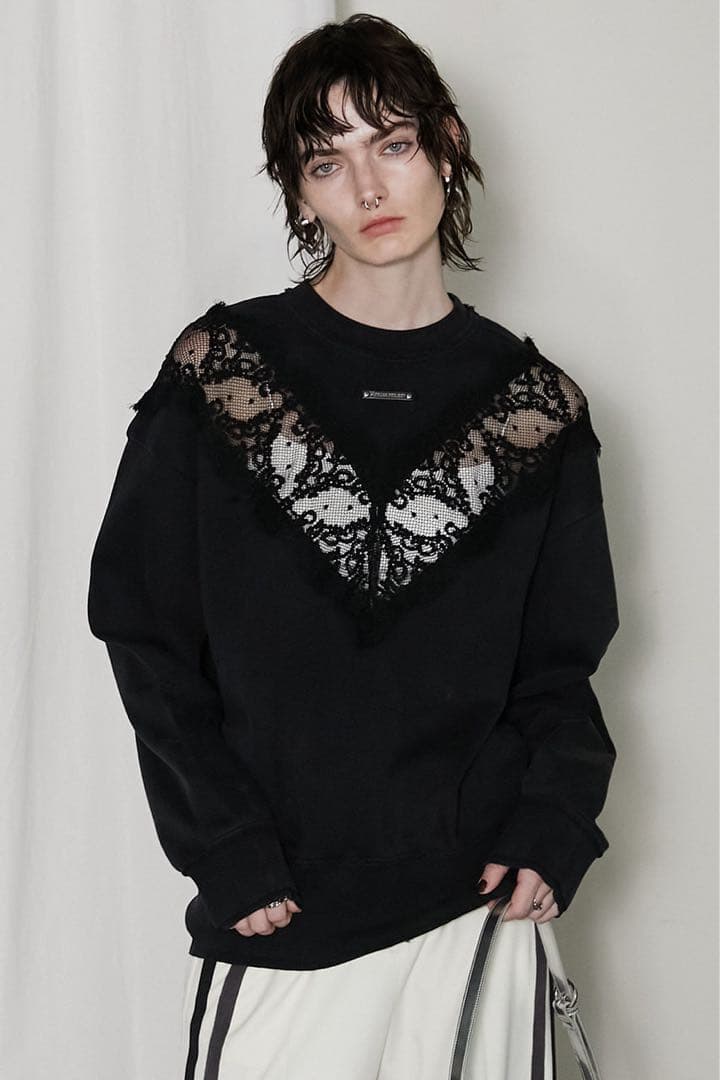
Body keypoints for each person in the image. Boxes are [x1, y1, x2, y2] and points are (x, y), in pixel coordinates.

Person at [87, 13, 620, 1079]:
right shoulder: (220, 376)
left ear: (447, 145)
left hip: (478, 915)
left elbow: (560, 669)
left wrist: (553, 826)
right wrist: (225, 846)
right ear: (299, 193)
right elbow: (143, 633)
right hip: (282, 914)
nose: (370, 188)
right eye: (327, 162)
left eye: (394, 144)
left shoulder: (538, 410)